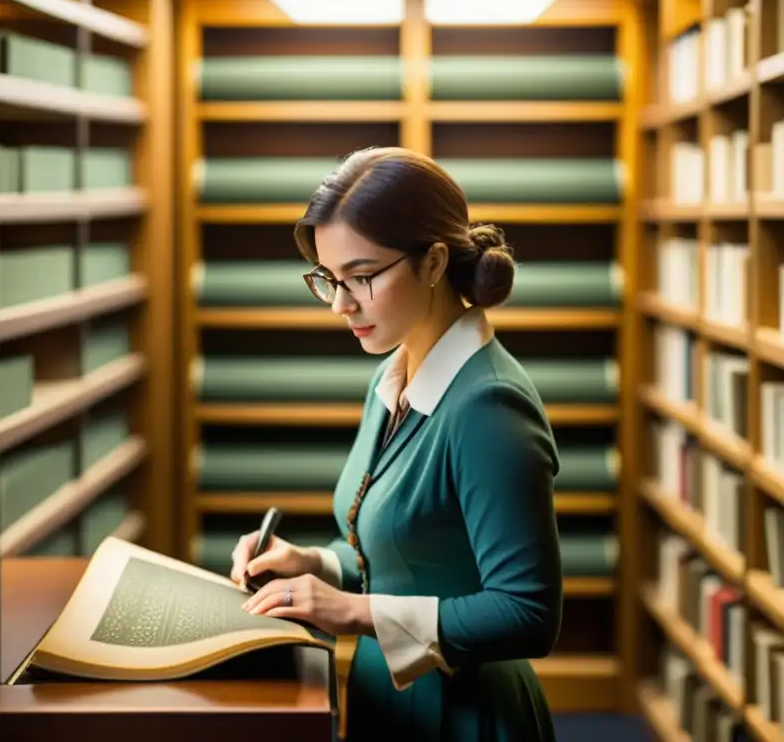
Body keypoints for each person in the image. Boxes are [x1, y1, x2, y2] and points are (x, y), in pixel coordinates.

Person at [230, 146, 563, 741]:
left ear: (434, 262)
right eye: (331, 280)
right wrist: (314, 564)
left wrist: (352, 612)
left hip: (466, 713)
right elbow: (403, 554)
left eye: (362, 277)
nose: (340, 304)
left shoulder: (487, 405)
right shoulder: (395, 374)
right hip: (389, 690)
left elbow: (529, 613)